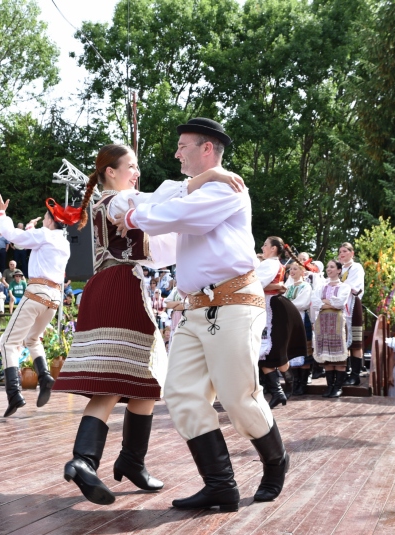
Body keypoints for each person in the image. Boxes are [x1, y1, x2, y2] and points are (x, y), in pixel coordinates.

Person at [113, 119, 290, 509]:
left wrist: (130, 216)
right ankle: (221, 485)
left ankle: (276, 462)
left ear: (206, 149)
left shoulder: (226, 189)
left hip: (235, 304)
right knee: (181, 394)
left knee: (237, 397)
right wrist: (134, 217)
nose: (176, 153)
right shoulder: (190, 193)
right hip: (197, 310)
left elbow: (173, 213)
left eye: (183, 146)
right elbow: (161, 232)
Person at [0, 191, 71, 418]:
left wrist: (1, 213)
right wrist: (30, 231)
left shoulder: (45, 234)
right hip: (53, 299)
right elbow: (35, 247)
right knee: (32, 339)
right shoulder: (63, 243)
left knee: (8, 342)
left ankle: (14, 393)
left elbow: (10, 234)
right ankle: (45, 376)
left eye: (46, 216)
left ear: (50, 220)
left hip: (37, 293)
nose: (44, 218)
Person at [255, 237, 307, 408]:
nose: (262, 247)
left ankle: (285, 387)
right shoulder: (268, 263)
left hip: (273, 308)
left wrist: (276, 286)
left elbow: (256, 283)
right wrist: (278, 285)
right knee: (264, 353)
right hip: (267, 306)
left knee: (271, 351)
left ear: (274, 249)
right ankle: (279, 391)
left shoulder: (270, 264)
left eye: (265, 244)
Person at [311, 260, 352, 398]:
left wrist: (324, 301)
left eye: (332, 267)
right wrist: (329, 303)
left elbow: (340, 303)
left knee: (338, 351)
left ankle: (338, 387)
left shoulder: (344, 287)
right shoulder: (321, 286)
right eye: (328, 267)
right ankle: (329, 387)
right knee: (326, 354)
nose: (329, 269)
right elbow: (315, 302)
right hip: (322, 321)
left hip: (337, 321)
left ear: (339, 270)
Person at [284, 261, 314, 395]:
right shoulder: (287, 286)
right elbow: (281, 299)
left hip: (300, 318)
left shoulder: (306, 286)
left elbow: (303, 303)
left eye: (295, 269)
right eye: (291, 269)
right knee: (291, 350)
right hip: (289, 320)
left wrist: (287, 305)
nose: (292, 271)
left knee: (304, 350)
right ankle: (295, 383)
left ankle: (302, 384)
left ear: (302, 272)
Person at [339, 243, 366, 386]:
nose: (342, 253)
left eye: (345, 251)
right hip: (340, 307)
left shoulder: (356, 267)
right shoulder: (340, 268)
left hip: (352, 305)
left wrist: (336, 285)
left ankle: (356, 375)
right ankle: (345, 371)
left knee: (355, 342)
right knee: (342, 340)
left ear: (352, 253)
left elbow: (353, 286)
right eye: (340, 251)